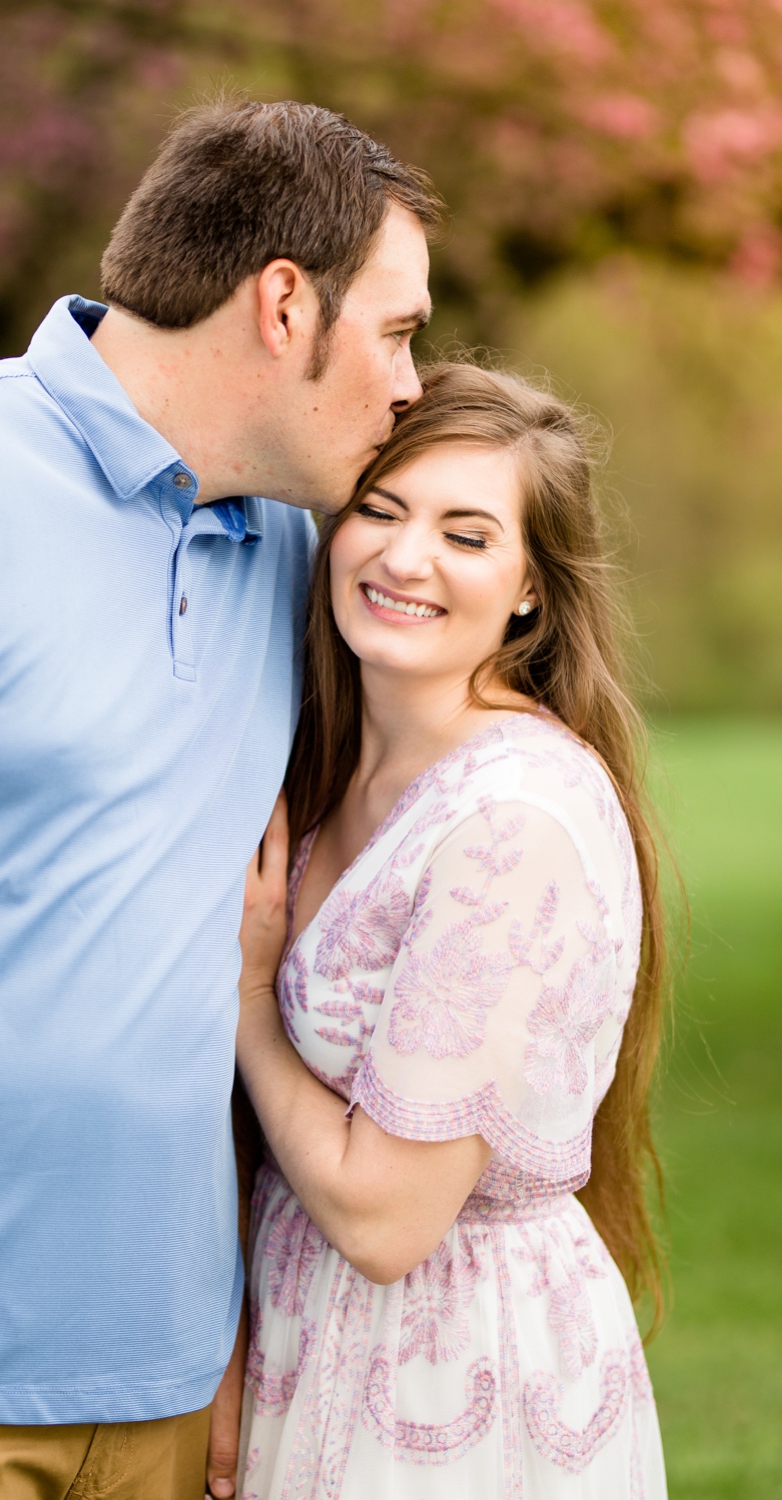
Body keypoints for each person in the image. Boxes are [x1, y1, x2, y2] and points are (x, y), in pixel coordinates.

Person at [0, 101, 444, 1500]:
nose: (412, 384)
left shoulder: (293, 550)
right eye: (395, 332)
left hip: (165, 1395)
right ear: (282, 306)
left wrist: (218, 1354)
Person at [231, 361, 668, 1496]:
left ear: (528, 588)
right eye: (378, 509)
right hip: (296, 1338)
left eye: (466, 535)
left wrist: (243, 1000)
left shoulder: (509, 822)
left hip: (443, 1378)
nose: (404, 557)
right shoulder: (323, 766)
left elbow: (383, 1221)